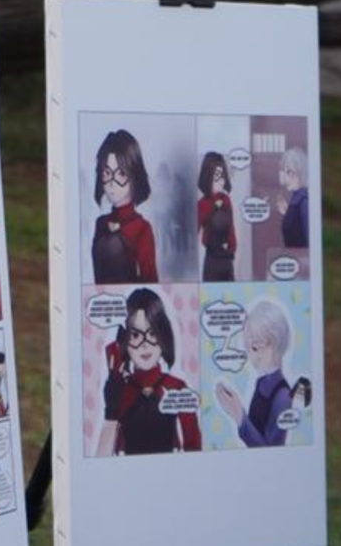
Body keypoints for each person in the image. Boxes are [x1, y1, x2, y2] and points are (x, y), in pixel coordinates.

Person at [97, 288, 201, 456]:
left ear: (163, 334)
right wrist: (111, 410)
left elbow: (194, 449)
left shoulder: (177, 388)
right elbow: (100, 461)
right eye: (136, 335)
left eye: (153, 333)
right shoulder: (119, 392)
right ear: (124, 339)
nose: (145, 345)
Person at [214, 300, 309, 448]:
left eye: (254, 346)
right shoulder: (263, 384)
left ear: (272, 343)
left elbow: (271, 450)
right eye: (248, 346)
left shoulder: (282, 395)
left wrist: (240, 417)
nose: (250, 353)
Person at [90, 129, 157, 283]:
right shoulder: (101, 224)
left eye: (121, 174)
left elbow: (151, 281)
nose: (112, 183)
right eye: (107, 173)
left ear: (135, 175)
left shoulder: (142, 228)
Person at [197, 151, 238, 281]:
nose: (220, 181)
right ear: (207, 176)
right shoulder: (202, 204)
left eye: (222, 176)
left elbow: (231, 228)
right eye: (216, 177)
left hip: (227, 259)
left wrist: (232, 250)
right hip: (212, 259)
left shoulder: (226, 200)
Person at [276, 146, 309, 248]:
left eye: (289, 172)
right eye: (284, 172)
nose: (285, 177)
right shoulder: (295, 199)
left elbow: (308, 240)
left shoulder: (304, 201)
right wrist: (287, 212)